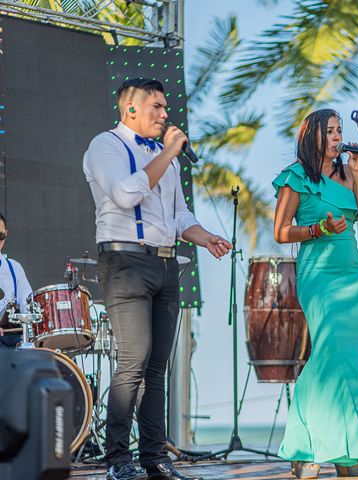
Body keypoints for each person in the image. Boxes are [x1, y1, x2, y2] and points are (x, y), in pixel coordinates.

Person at [83, 78, 232, 480]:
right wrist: (167, 152)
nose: (165, 115)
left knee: (157, 367)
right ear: (130, 109)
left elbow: (178, 216)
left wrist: (205, 237)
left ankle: (155, 459)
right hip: (125, 262)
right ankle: (117, 459)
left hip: (166, 264)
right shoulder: (107, 146)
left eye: (166, 108)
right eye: (157, 107)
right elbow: (125, 193)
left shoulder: (169, 160)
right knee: (133, 359)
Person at [273, 109, 358, 479]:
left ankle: (345, 449)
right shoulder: (296, 177)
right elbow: (281, 231)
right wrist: (317, 229)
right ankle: (304, 447)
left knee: (344, 355)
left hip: (352, 274)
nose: (338, 137)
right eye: (331, 131)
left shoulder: (346, 173)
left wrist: (357, 174)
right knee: (332, 351)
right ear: (313, 137)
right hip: (319, 274)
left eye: (340, 130)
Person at [0, 212, 32, 348]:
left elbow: (28, 308)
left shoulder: (14, 268)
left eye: (0, 236)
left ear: (6, 234)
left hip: (13, 339)